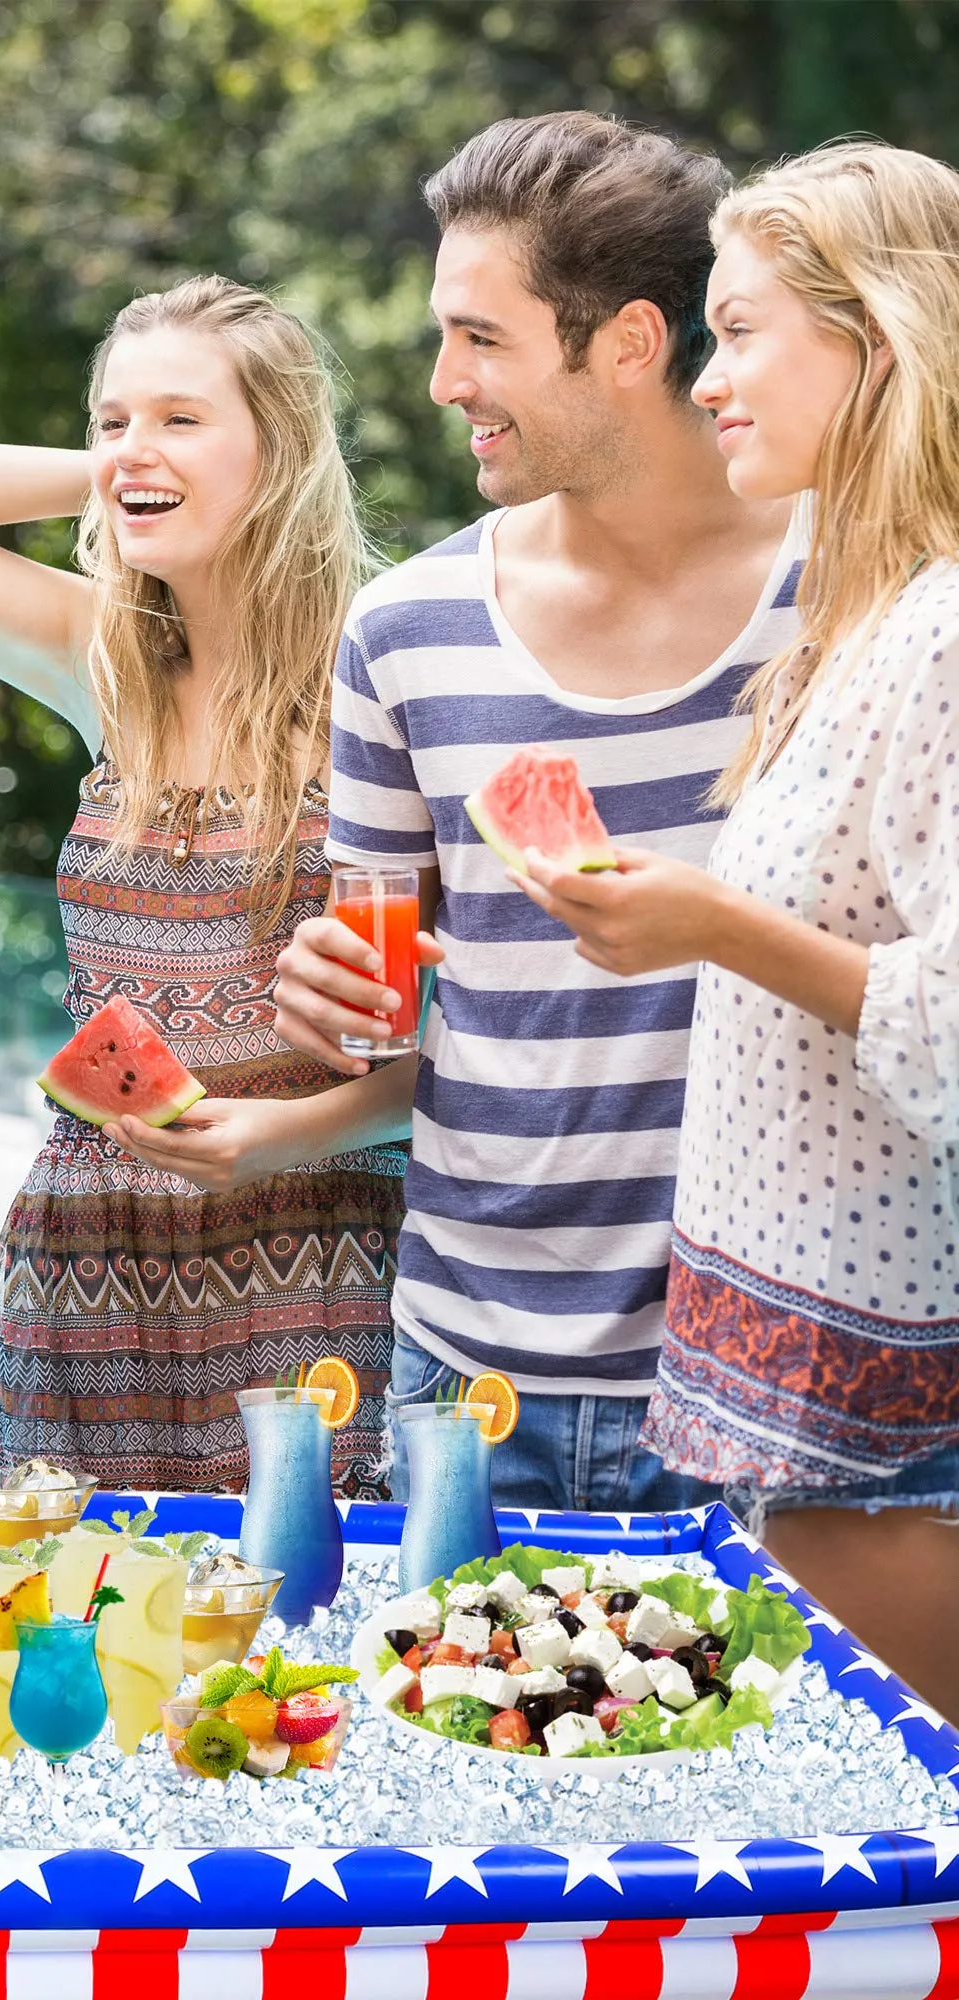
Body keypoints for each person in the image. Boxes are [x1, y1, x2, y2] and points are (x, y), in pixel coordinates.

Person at [270, 112, 804, 1514]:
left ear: (629, 344)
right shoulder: (403, 630)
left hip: (772, 1376)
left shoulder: (860, 598)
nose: (443, 381)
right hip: (466, 1380)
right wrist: (325, 995)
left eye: (483, 338)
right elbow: (374, 988)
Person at [517, 143, 959, 1707]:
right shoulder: (861, 603)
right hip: (798, 1395)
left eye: (744, 329)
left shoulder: (945, 627)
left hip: (871, 1441)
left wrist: (710, 921)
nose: (708, 381)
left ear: (880, 341)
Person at [0, 278, 408, 1494]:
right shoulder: (105, 665)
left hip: (311, 1262)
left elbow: (456, 1054)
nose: (133, 445)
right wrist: (127, 471)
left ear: (279, 450)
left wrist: (279, 1134)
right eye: (110, 418)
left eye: (181, 416)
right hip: (81, 1274)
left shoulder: (379, 681)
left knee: (294, 1660)